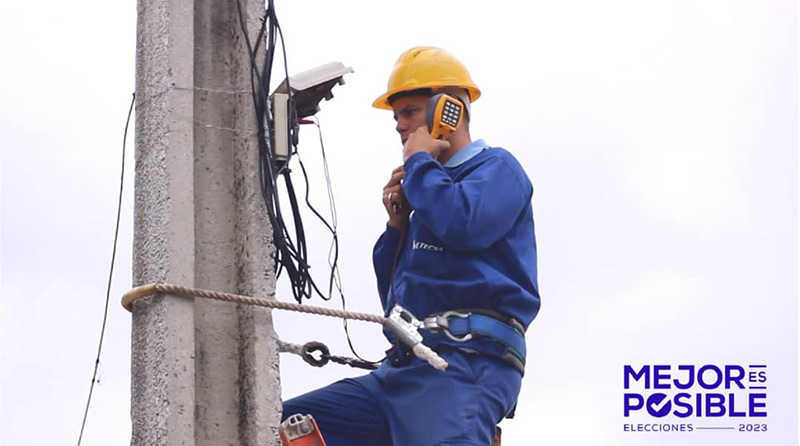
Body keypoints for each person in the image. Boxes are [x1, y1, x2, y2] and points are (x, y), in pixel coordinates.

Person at [282, 46, 541, 446]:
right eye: (396, 117)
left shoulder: (497, 168)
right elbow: (397, 302)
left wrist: (420, 164)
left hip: (463, 367)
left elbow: (464, 225)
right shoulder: (428, 195)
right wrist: (397, 226)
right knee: (277, 425)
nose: (400, 126)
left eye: (410, 112)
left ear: (448, 109)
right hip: (403, 372)